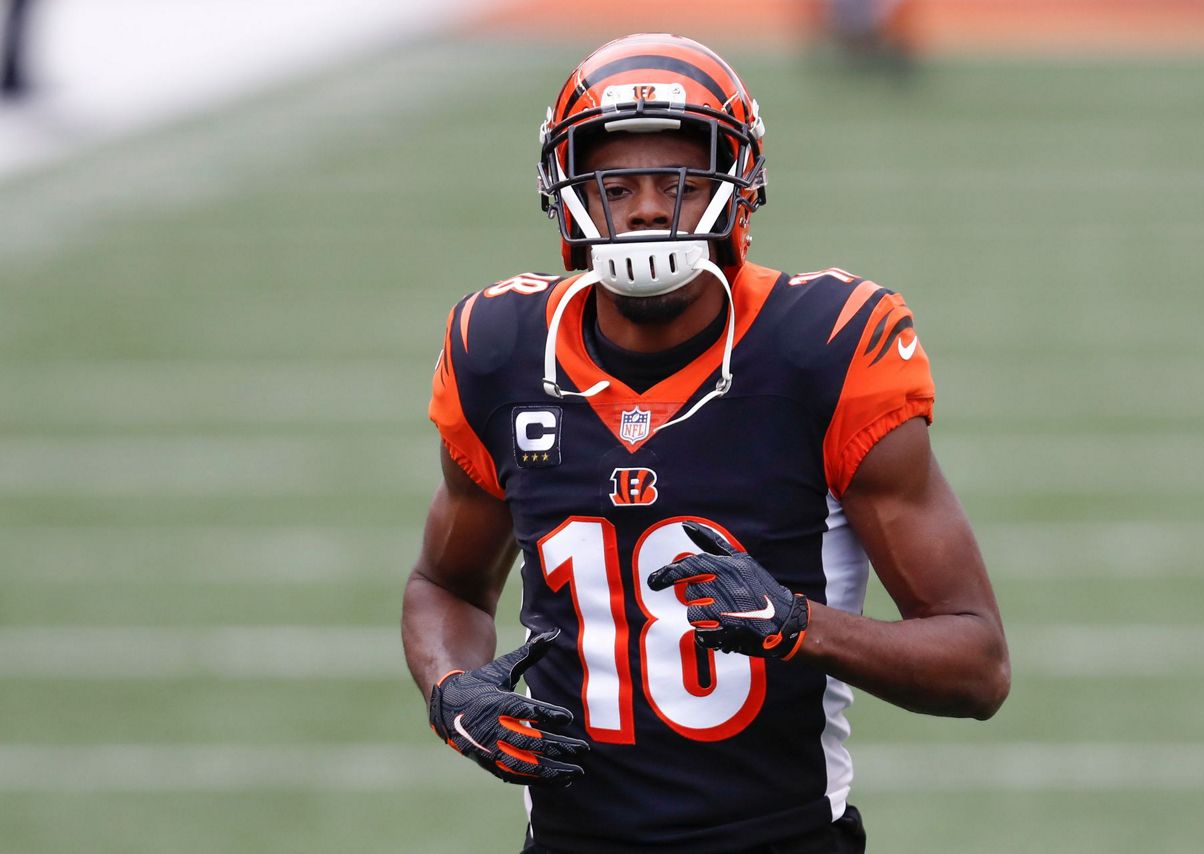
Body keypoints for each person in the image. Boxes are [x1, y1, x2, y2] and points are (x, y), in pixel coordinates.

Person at [402, 33, 1010, 854]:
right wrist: (450, 687)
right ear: (572, 193)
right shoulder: (500, 349)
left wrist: (798, 625)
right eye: (618, 184)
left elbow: (976, 663)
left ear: (738, 191)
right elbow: (445, 583)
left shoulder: (824, 348)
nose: (649, 208)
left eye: (679, 184)